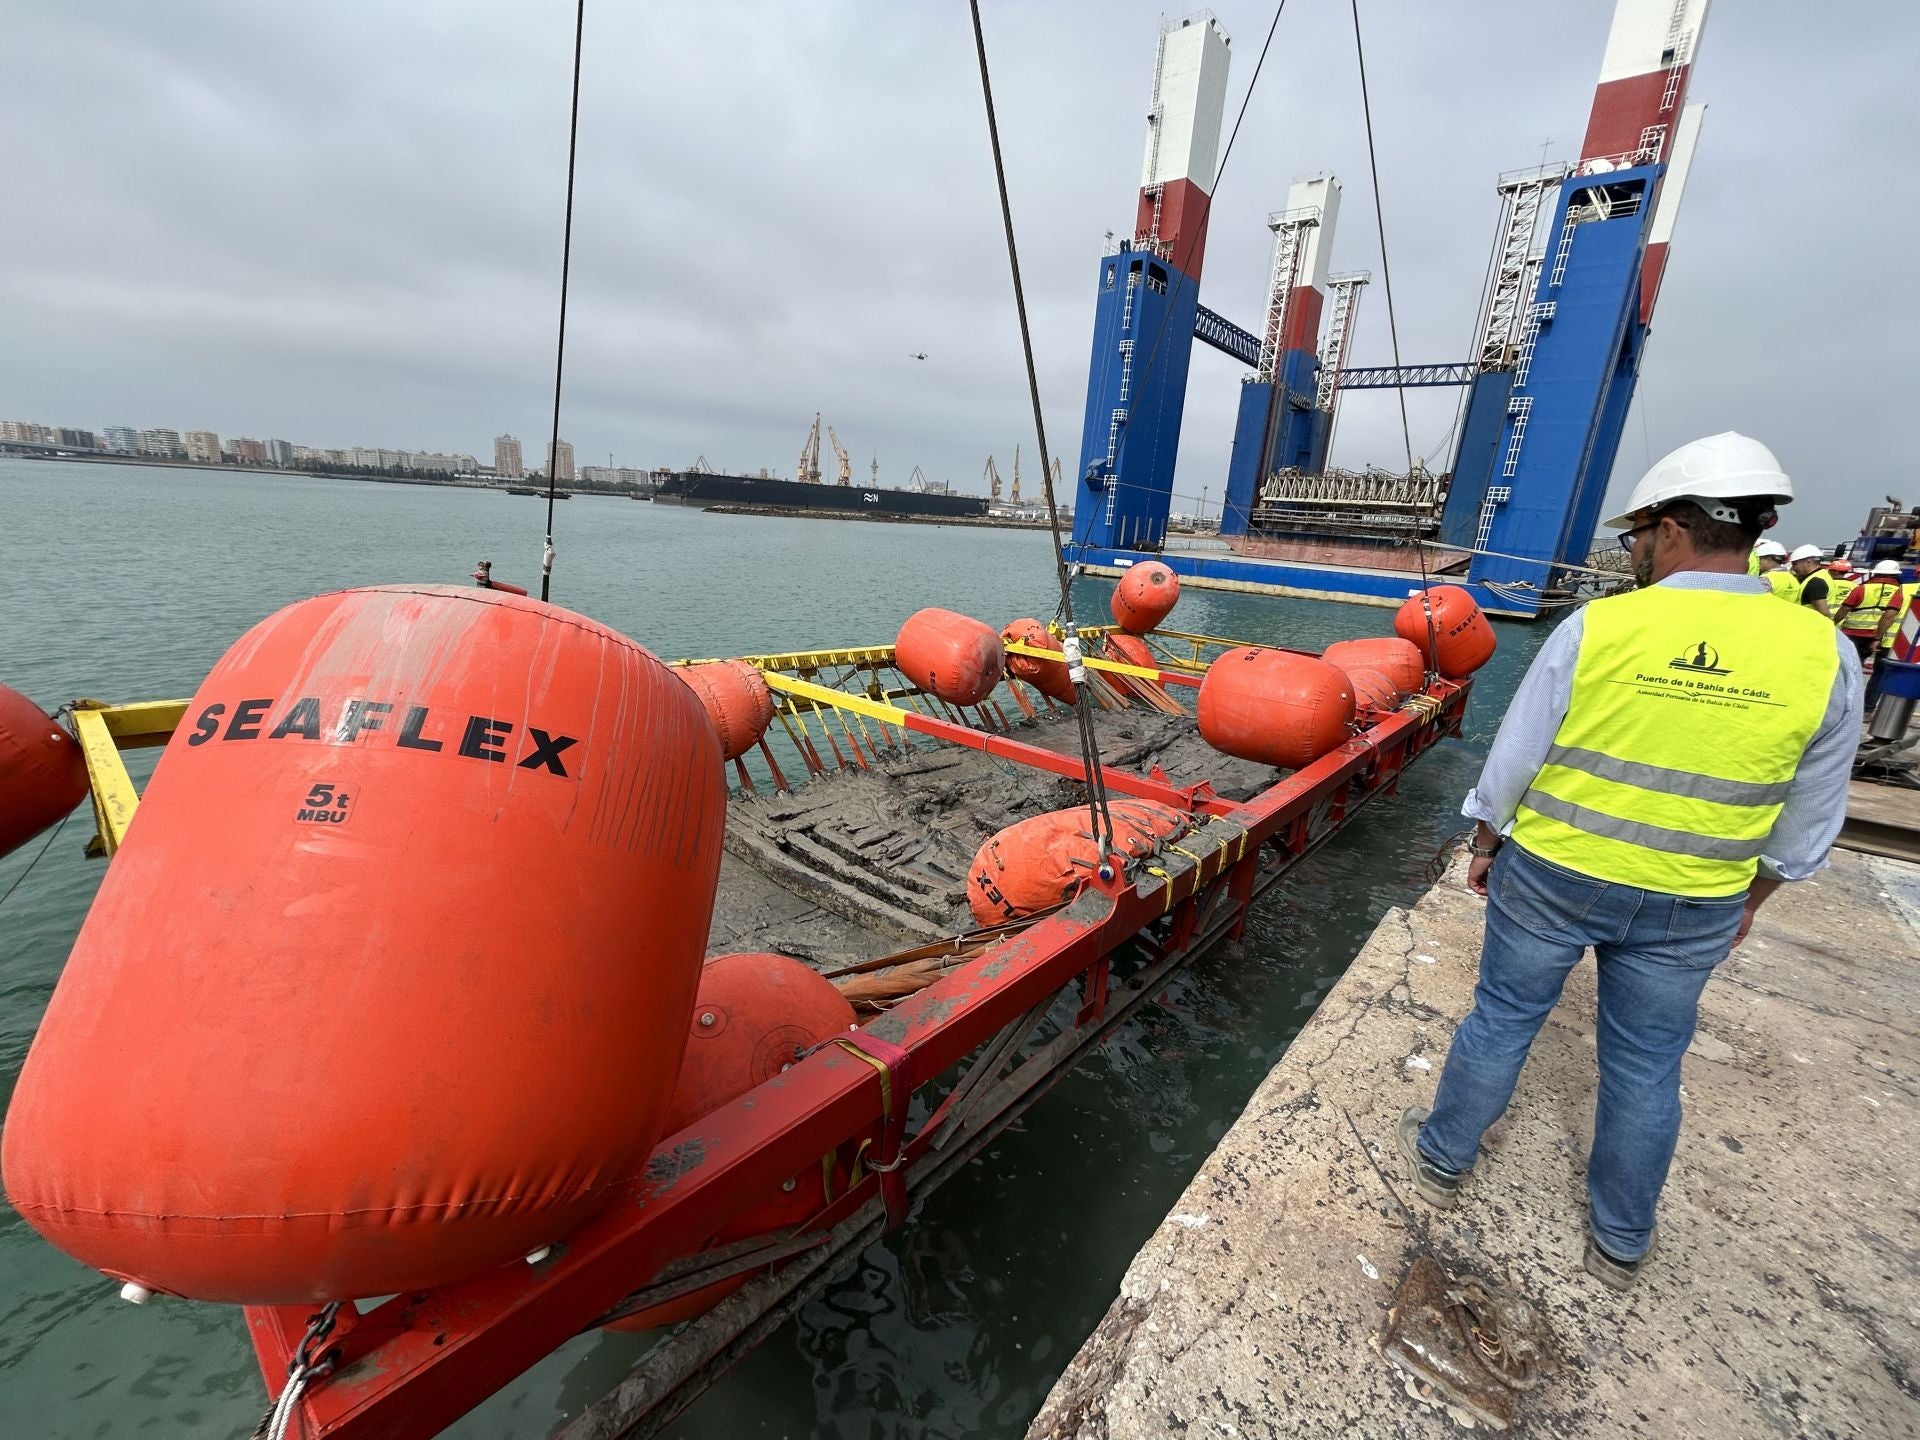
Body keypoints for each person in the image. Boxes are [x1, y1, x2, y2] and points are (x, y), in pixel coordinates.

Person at [1397, 432, 1859, 1292]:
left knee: (1503, 1019)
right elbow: (1808, 821)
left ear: (1672, 529)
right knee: (1647, 1064)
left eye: (1637, 534)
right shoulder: (1825, 651)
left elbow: (1514, 759)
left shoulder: (1601, 626)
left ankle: (1443, 1160)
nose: (1634, 550)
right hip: (1696, 899)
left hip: (1554, 875)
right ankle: (1619, 1240)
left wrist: (1487, 843)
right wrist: (1750, 901)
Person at [1833, 559, 1905, 664]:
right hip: (1878, 634)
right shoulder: (1900, 591)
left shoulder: (1861, 589)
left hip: (1853, 632)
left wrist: (1833, 623)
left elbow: (1845, 609)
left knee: (1847, 662)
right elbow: (1891, 615)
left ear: (1875, 572)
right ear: (1896, 574)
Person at [1789, 543, 1834, 617]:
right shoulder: (1821, 575)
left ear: (1808, 562)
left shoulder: (1815, 582)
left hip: (1810, 623)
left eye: (1795, 564)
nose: (1793, 568)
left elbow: (1824, 613)